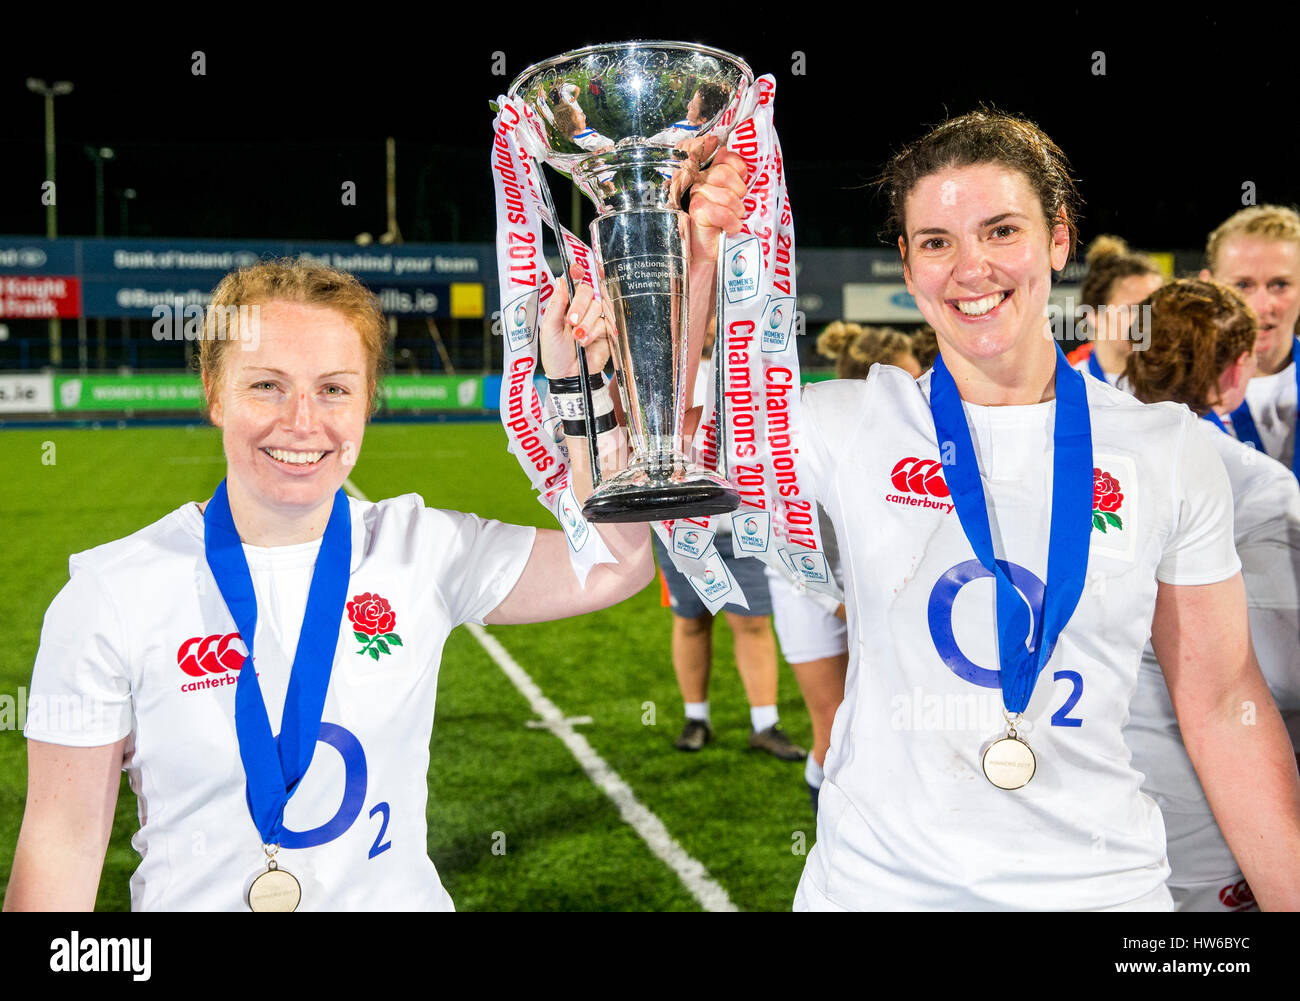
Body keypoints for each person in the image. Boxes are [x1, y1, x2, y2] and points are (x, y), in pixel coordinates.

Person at [743, 109, 1300, 911]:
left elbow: (1220, 706)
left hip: (1100, 893)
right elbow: (657, 467)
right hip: (875, 891)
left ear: (1059, 241)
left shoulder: (1164, 448)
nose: (972, 267)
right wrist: (692, 259)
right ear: (906, 262)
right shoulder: (840, 422)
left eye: (1001, 230)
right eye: (936, 241)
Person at [3, 257, 658, 911]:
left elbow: (616, 563)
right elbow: (61, 846)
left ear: (370, 397)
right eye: (267, 385)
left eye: (334, 389)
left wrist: (585, 385)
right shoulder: (110, 593)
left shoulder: (423, 547)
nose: (302, 420)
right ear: (213, 392)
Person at [1124, 277, 1300, 911]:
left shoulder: (1069, 441)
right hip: (1200, 808)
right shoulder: (1253, 482)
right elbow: (1280, 676)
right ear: (1235, 372)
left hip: (1074, 793)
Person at [771, 321, 924, 811]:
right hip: (811, 590)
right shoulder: (810, 433)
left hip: (870, 593)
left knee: (889, 718)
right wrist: (844, 606)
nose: (919, 399)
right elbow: (783, 544)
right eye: (908, 384)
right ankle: (826, 830)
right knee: (834, 725)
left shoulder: (917, 439)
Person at [654, 327, 805, 762]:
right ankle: (695, 717)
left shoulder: (754, 367)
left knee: (754, 622)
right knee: (690, 620)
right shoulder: (664, 370)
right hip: (683, 521)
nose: (706, 326)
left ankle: (765, 724)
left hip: (745, 521)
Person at [1200, 205, 1300, 472]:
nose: (1261, 306)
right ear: (1209, 286)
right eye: (1243, 285)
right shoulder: (1169, 393)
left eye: (1280, 284)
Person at [1066, 234, 1163, 388]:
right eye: (1133, 309)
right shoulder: (1065, 385)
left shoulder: (1180, 385)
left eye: (1157, 309)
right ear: (1094, 314)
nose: (1150, 319)